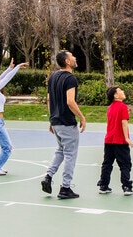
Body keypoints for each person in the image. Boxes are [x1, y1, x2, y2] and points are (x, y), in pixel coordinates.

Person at [41, 50, 86, 199]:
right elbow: (70, 101)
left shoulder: (53, 77)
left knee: (60, 150)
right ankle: (65, 188)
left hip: (56, 121)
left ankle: (48, 176)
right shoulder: (70, 78)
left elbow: (49, 100)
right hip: (66, 122)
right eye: (72, 56)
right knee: (70, 155)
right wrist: (82, 117)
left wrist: (51, 119)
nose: (75, 57)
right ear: (67, 61)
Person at [0, 58, 29, 175]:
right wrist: (17, 67)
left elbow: (2, 78)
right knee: (7, 148)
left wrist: (10, 68)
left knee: (8, 147)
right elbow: (6, 79)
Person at [97, 86, 133, 196]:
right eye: (120, 91)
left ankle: (103, 185)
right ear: (115, 95)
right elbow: (124, 122)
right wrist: (127, 137)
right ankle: (127, 186)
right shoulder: (123, 107)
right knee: (125, 164)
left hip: (109, 140)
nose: (123, 91)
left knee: (107, 163)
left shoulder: (109, 108)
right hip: (120, 141)